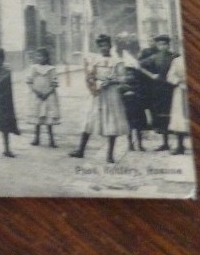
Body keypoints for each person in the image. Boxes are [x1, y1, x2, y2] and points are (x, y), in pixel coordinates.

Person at [70, 34, 129, 164]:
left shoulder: (117, 61)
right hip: (97, 92)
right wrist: (94, 83)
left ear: (110, 46)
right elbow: (90, 76)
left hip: (111, 94)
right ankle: (81, 150)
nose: (104, 48)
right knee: (89, 120)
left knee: (111, 122)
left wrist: (112, 81)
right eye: (101, 46)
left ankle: (110, 154)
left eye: (106, 45)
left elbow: (123, 79)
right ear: (98, 47)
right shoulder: (94, 60)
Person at [138, 34, 177, 151]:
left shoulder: (174, 56)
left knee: (173, 113)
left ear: (168, 45)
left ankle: (177, 142)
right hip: (159, 89)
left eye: (165, 44)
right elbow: (139, 66)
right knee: (161, 115)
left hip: (171, 88)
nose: (162, 46)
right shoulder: (154, 57)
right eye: (160, 44)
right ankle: (164, 142)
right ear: (157, 45)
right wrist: (151, 75)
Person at [26, 47, 59, 147]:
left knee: (48, 117)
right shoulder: (33, 68)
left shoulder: (51, 69)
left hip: (48, 96)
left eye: (42, 56)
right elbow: (29, 82)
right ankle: (36, 138)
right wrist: (36, 92)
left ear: (46, 57)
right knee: (38, 117)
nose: (40, 58)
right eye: (38, 56)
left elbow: (54, 83)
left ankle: (51, 140)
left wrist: (48, 92)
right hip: (37, 95)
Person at [166, 53, 190, 155]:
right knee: (179, 118)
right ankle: (180, 146)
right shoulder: (177, 61)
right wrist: (178, 81)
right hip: (180, 91)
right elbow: (170, 76)